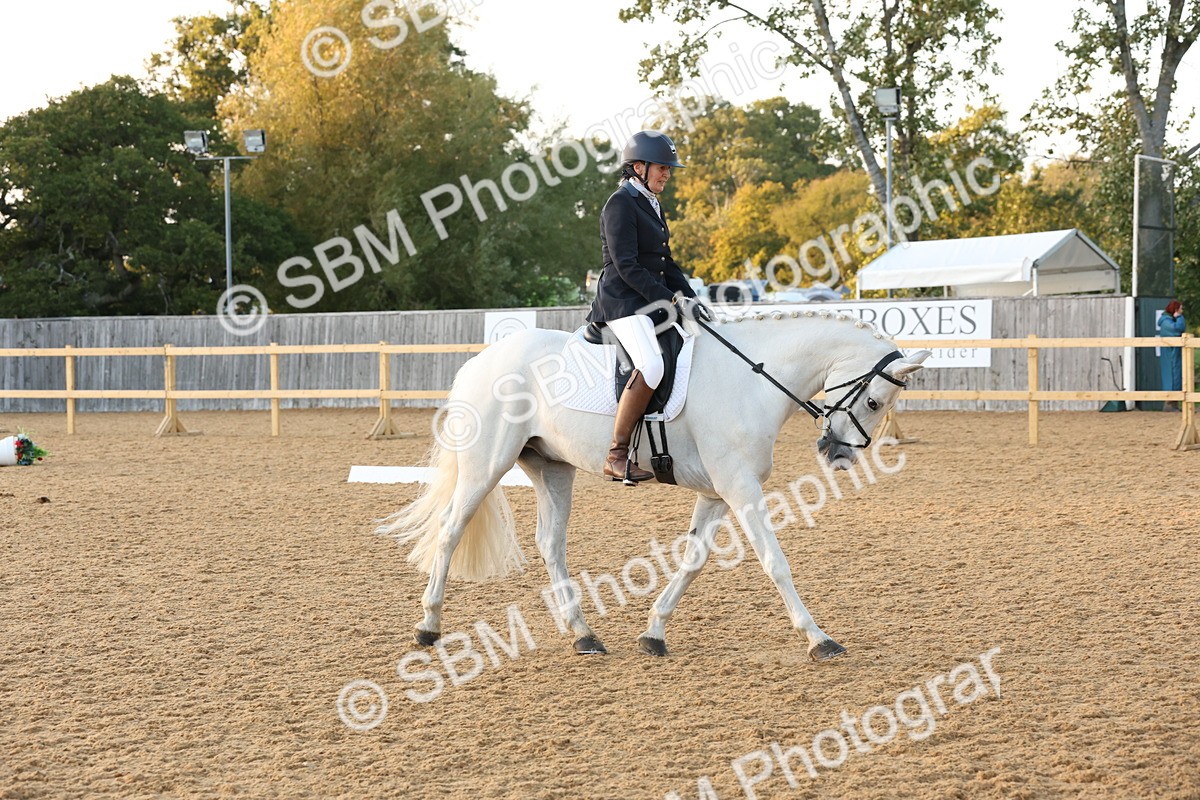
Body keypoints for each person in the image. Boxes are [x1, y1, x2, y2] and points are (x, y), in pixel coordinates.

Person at [586, 130, 711, 482]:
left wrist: (688, 296)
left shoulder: (650, 203)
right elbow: (627, 266)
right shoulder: (620, 203)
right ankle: (616, 454)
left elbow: (665, 262)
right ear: (638, 167)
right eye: (662, 167)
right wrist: (668, 298)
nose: (667, 174)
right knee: (652, 366)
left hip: (648, 301)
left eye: (669, 168)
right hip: (622, 302)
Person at [1158, 300, 1186, 411]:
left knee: (1176, 376)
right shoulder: (1166, 322)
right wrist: (1179, 317)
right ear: (1175, 309)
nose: (1182, 311)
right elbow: (1177, 330)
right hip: (1170, 354)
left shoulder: (1169, 320)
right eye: (1180, 309)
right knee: (1171, 376)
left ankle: (1174, 404)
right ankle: (1169, 403)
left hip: (1174, 354)